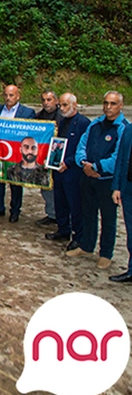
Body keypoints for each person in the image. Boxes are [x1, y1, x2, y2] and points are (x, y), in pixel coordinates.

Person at [67, 91, 127, 270]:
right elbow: (81, 145)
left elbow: (119, 157)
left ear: (120, 106)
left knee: (108, 218)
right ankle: (86, 246)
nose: (108, 107)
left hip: (107, 180)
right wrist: (84, 163)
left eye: (113, 104)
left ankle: (106, 253)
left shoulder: (123, 128)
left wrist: (97, 167)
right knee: (88, 213)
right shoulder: (95, 124)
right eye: (106, 103)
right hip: (87, 177)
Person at [45, 93, 89, 247]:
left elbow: (82, 148)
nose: (62, 108)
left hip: (73, 171)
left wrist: (69, 162)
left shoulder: (83, 123)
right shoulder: (61, 122)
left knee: (75, 205)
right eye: (61, 105)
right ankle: (63, 230)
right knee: (60, 202)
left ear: (74, 105)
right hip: (58, 169)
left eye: (65, 105)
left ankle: (78, 236)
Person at [0, 85, 35, 221]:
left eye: (11, 95)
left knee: (15, 184)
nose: (8, 98)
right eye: (6, 95)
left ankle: (15, 210)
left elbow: (30, 133)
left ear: (18, 96)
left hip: (16, 154)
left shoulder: (27, 113)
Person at [110, 105, 132, 283]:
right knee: (131, 231)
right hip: (128, 188)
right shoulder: (129, 129)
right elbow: (121, 161)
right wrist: (117, 186)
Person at [35, 90, 62, 226]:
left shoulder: (62, 117)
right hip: (41, 158)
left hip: (57, 158)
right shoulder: (38, 116)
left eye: (49, 99)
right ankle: (51, 214)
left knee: (59, 190)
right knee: (46, 188)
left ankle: (61, 216)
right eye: (44, 100)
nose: (46, 103)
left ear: (56, 101)